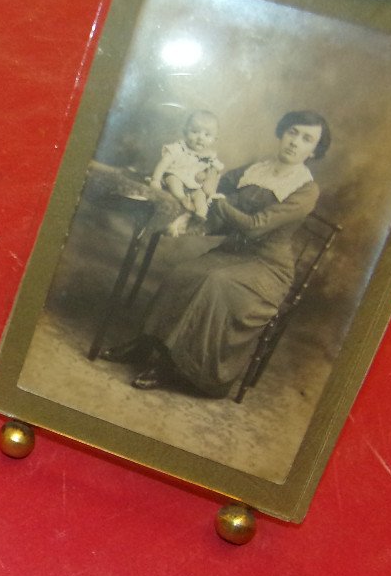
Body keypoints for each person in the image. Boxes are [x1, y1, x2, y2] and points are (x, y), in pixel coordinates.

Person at [111, 109, 331, 399]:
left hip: (268, 269)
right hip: (231, 254)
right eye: (292, 132)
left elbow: (254, 227)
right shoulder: (257, 168)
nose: (295, 142)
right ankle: (146, 344)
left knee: (213, 282)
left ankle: (175, 366)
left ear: (314, 150)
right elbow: (210, 185)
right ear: (282, 133)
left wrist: (216, 199)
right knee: (183, 272)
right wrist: (185, 200)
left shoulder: (306, 189)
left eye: (306, 139)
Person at [149, 110, 224, 224]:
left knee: (201, 195)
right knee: (174, 179)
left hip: (193, 185)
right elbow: (164, 163)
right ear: (185, 132)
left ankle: (200, 213)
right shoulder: (179, 148)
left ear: (214, 139)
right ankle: (182, 198)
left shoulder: (209, 156)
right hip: (175, 177)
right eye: (195, 132)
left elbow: (213, 175)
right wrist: (155, 180)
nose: (200, 138)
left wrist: (205, 176)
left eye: (207, 135)